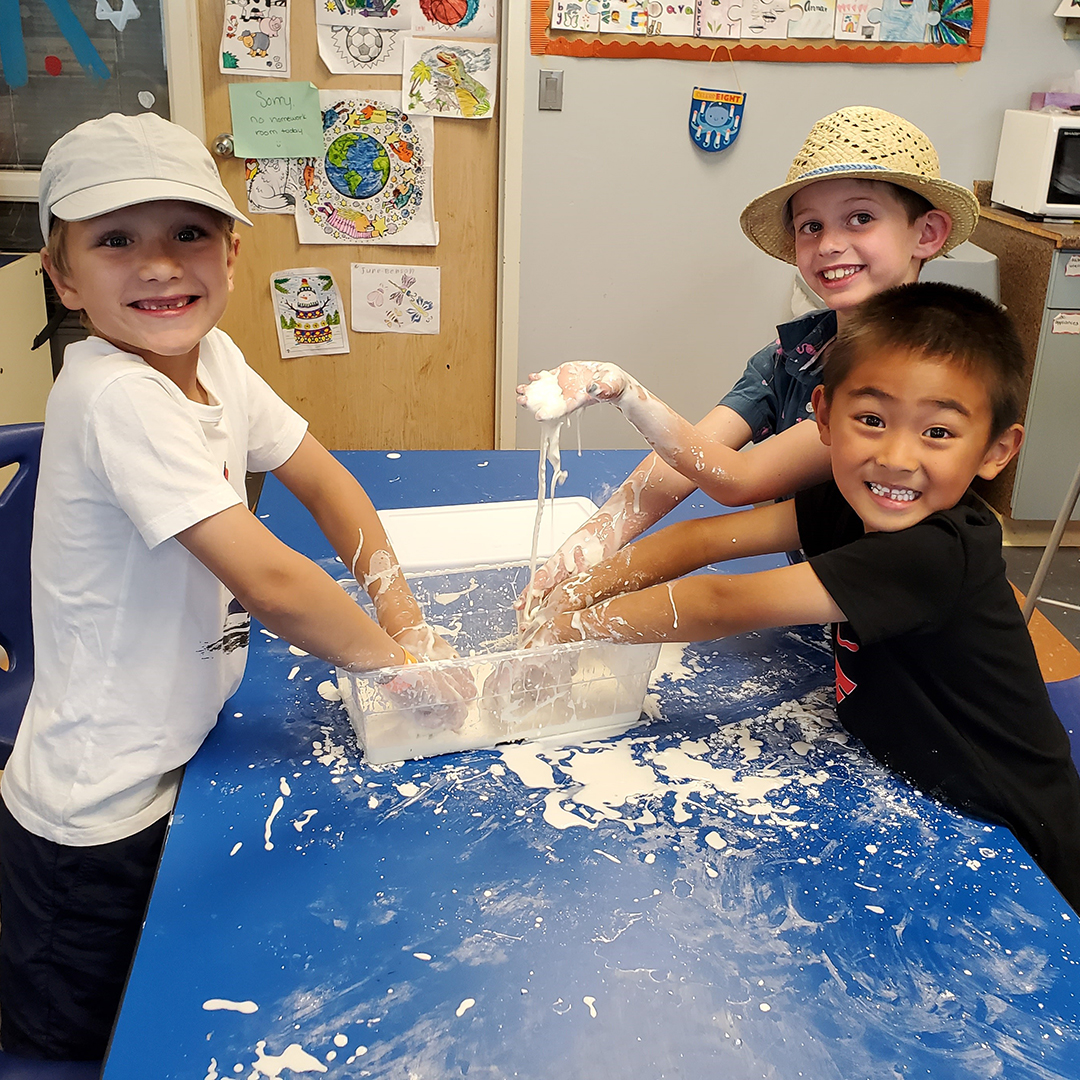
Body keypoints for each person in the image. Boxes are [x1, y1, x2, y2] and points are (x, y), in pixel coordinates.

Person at [0, 112, 454, 1060]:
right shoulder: (118, 394)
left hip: (181, 753)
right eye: (115, 240)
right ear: (64, 275)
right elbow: (275, 580)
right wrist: (398, 668)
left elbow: (324, 480)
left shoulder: (214, 361)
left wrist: (402, 610)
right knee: (86, 1040)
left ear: (232, 255)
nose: (160, 265)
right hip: (99, 810)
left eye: (188, 234)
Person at [526, 282, 1080, 914]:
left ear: (996, 450)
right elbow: (703, 539)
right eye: (871, 420)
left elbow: (718, 603)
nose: (896, 458)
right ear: (822, 414)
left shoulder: (934, 553)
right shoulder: (850, 504)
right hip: (929, 795)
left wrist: (573, 628)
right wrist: (571, 589)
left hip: (1022, 844)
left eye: (937, 432)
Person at [516, 106, 980, 619]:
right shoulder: (794, 356)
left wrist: (624, 391)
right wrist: (585, 549)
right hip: (825, 617)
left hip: (900, 614)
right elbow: (685, 464)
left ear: (927, 233)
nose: (829, 244)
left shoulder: (907, 380)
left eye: (861, 218)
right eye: (810, 226)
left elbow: (737, 480)